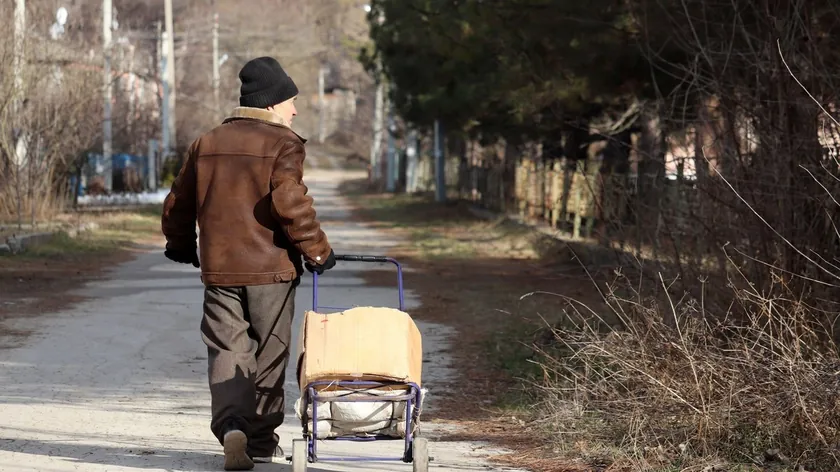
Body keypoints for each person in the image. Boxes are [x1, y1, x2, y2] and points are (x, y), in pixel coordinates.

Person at [160, 56, 336, 471]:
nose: (294, 110)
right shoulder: (283, 142)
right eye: (290, 101)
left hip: (220, 269)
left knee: (226, 349)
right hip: (272, 271)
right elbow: (289, 201)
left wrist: (182, 244)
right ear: (272, 103)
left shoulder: (207, 142)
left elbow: (179, 202)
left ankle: (231, 426)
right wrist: (317, 250)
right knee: (270, 353)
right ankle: (258, 441)